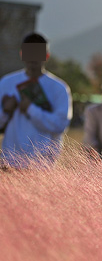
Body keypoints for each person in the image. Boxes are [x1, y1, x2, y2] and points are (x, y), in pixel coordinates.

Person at [0, 32, 72, 168]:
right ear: (22, 54)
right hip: (9, 163)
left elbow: (60, 125)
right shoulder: (6, 83)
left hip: (42, 166)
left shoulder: (59, 88)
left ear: (47, 56)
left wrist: (31, 109)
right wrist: (5, 110)